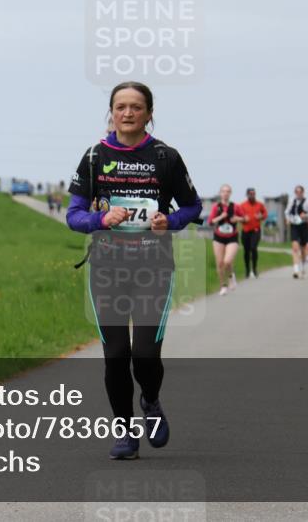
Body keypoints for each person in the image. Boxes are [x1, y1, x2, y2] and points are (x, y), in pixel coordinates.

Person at [66, 81, 202, 460]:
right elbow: (73, 216)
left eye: (136, 107)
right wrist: (101, 218)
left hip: (153, 267)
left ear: (149, 113)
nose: (127, 113)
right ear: (111, 112)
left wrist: (169, 222)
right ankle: (124, 433)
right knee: (115, 356)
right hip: (107, 268)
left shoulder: (166, 158)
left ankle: (151, 400)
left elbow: (193, 207)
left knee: (144, 354)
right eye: (120, 106)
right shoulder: (94, 157)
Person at [209, 184, 244, 295]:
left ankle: (231, 276)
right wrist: (221, 216)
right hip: (218, 237)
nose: (225, 193)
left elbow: (245, 218)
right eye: (223, 191)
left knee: (227, 261)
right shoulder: (216, 207)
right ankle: (223, 286)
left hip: (232, 237)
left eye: (228, 191)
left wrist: (236, 218)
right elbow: (210, 222)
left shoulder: (235, 206)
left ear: (230, 193)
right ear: (220, 193)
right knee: (219, 263)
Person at [286, 185, 308, 279]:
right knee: (295, 247)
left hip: (303, 226)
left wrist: (306, 215)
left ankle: (303, 266)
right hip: (294, 225)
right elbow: (286, 212)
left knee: (303, 249)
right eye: (296, 192)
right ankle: (295, 270)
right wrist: (288, 219)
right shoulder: (292, 201)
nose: (298, 194)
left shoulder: (307, 202)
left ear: (303, 192)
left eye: (300, 192)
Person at [239, 187, 268, 279]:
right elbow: (238, 216)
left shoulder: (260, 204)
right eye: (250, 194)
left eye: (253, 194)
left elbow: (265, 214)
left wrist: (261, 216)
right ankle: (247, 270)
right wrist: (243, 219)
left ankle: (254, 269)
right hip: (245, 231)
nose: (252, 195)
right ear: (247, 195)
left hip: (256, 230)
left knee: (253, 248)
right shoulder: (242, 205)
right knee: (246, 251)